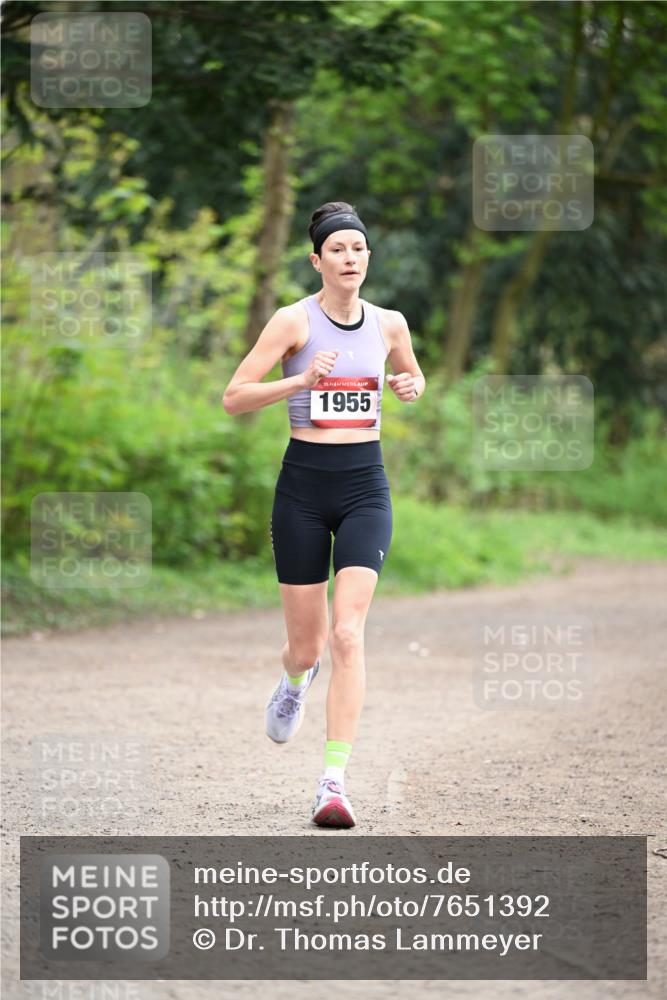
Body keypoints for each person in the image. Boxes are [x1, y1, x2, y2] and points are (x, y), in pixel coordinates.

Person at [222, 201, 425, 828]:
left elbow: (413, 375)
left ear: (367, 258)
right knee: (307, 646)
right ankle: (293, 682)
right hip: (303, 490)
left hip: (366, 486)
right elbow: (234, 397)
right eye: (337, 250)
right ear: (317, 261)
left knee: (347, 634)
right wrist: (300, 381)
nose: (349, 259)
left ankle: (332, 784)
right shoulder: (293, 321)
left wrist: (411, 386)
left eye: (358, 249)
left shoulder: (390, 324)